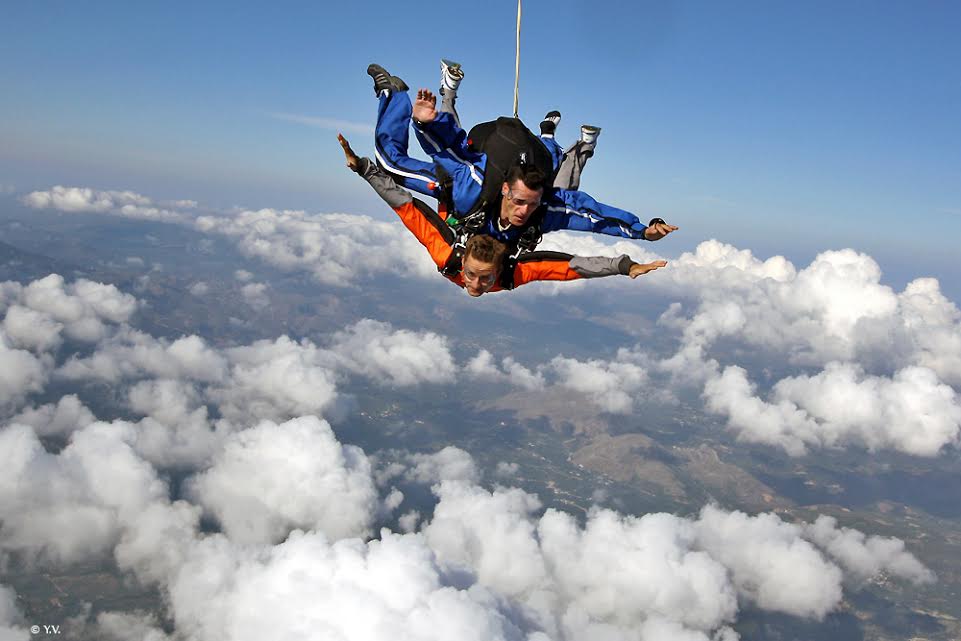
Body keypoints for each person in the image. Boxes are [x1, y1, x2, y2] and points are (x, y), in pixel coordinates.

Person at [367, 64, 678, 254]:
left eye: (531, 204)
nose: (525, 211)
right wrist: (426, 124)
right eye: (520, 202)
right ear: (506, 190)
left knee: (551, 165)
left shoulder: (542, 207)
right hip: (496, 147)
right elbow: (450, 151)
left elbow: (591, 215)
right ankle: (394, 94)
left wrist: (641, 230)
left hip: (526, 153)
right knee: (391, 164)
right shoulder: (474, 185)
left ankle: (547, 134)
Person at [339, 134, 667, 297]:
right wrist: (624, 266)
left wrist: (366, 171)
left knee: (557, 193)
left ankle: (559, 142)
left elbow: (407, 209)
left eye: (481, 277)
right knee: (430, 180)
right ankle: (560, 142)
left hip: (482, 198)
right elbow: (569, 268)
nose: (477, 285)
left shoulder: (450, 258)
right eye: (476, 276)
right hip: (471, 202)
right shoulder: (510, 273)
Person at [438, 60, 597, 191]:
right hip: (502, 145)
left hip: (495, 145)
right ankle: (566, 141)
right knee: (550, 187)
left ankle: (579, 144)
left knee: (553, 191)